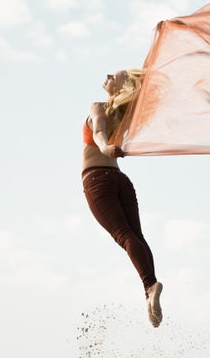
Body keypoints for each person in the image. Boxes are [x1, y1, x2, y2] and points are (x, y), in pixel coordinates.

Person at [81, 68, 163, 328]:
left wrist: (104, 146)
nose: (107, 74)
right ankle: (150, 288)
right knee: (135, 236)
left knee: (124, 236)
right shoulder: (129, 118)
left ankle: (150, 287)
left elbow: (98, 130)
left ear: (120, 88)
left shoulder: (98, 106)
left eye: (114, 75)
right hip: (120, 180)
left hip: (97, 180)